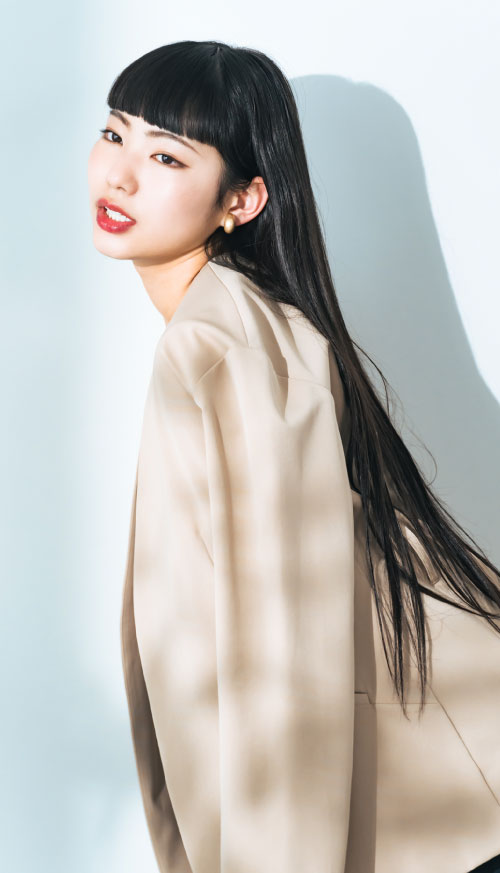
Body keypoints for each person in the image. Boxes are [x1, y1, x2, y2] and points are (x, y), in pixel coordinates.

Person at [87, 39, 500, 873]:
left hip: (448, 819)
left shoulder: (224, 344)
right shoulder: (231, 327)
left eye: (166, 156)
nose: (120, 175)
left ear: (242, 200)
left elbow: (289, 639)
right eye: (114, 133)